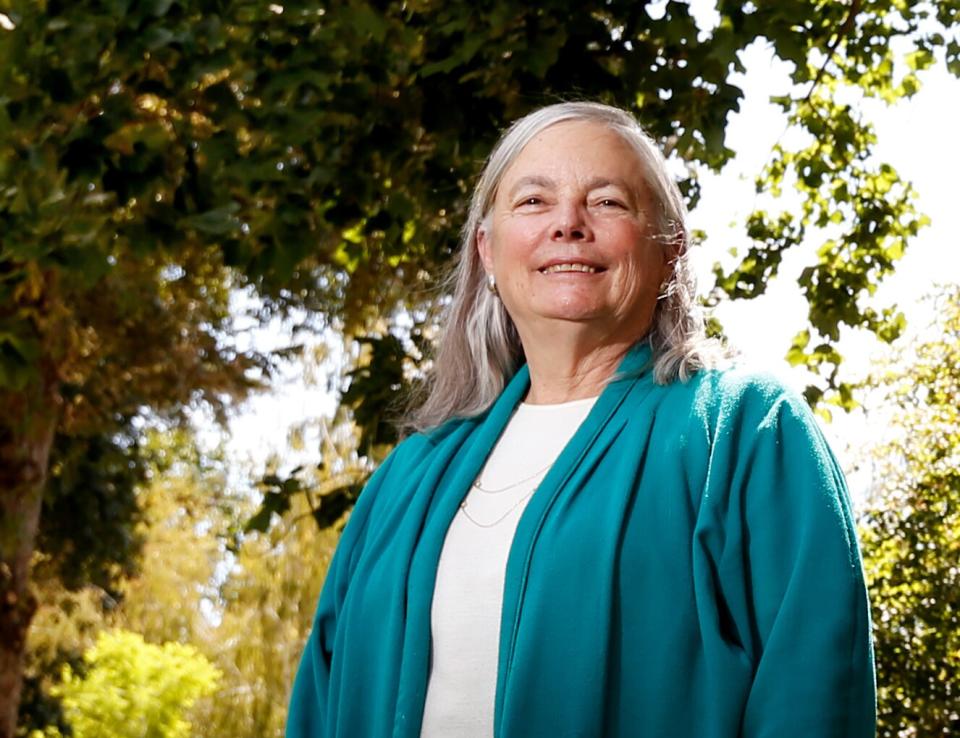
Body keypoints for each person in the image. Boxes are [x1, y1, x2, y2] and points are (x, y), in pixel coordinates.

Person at [285, 102, 876, 738]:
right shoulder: (406, 477)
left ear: (669, 246)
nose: (568, 223)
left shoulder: (746, 431)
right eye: (534, 201)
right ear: (487, 250)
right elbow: (319, 705)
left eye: (608, 202)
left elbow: (814, 691)